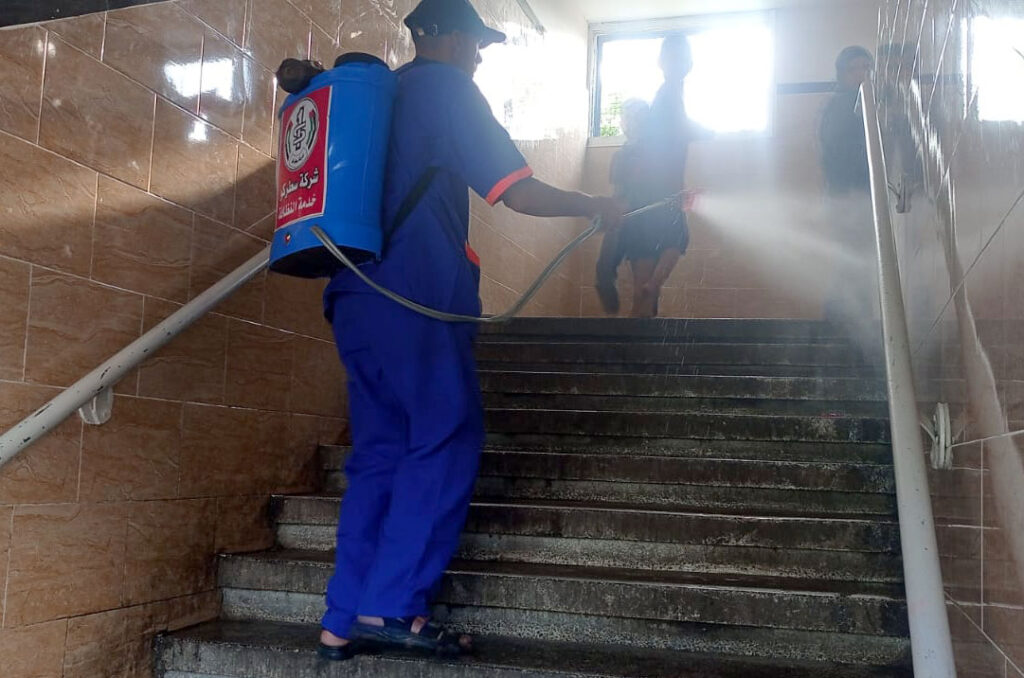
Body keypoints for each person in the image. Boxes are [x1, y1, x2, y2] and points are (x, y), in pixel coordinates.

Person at [316, 0, 625, 661]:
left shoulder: (379, 98)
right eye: (477, 42)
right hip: (413, 295)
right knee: (447, 432)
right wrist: (593, 205)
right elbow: (515, 189)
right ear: (451, 39)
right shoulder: (447, 88)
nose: (480, 54)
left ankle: (340, 618)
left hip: (352, 295)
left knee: (379, 453)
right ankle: (394, 605)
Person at [606, 35, 704, 318]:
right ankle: (652, 284)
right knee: (676, 238)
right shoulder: (667, 96)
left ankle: (648, 290)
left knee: (644, 284)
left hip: (646, 207)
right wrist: (708, 132)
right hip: (656, 202)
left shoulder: (667, 99)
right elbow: (680, 130)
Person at [818, 45, 880, 340]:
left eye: (867, 68)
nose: (863, 74)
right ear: (842, 74)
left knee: (860, 259)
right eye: (856, 68)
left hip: (861, 199)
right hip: (848, 199)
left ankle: (850, 318)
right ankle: (843, 320)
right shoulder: (840, 108)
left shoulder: (866, 106)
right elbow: (839, 157)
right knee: (854, 258)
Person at [596, 98, 650, 314]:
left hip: (647, 222)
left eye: (630, 116)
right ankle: (613, 328)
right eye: (624, 116)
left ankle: (642, 330)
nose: (625, 121)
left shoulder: (656, 153)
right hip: (621, 218)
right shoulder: (620, 155)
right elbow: (618, 190)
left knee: (643, 280)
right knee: (603, 273)